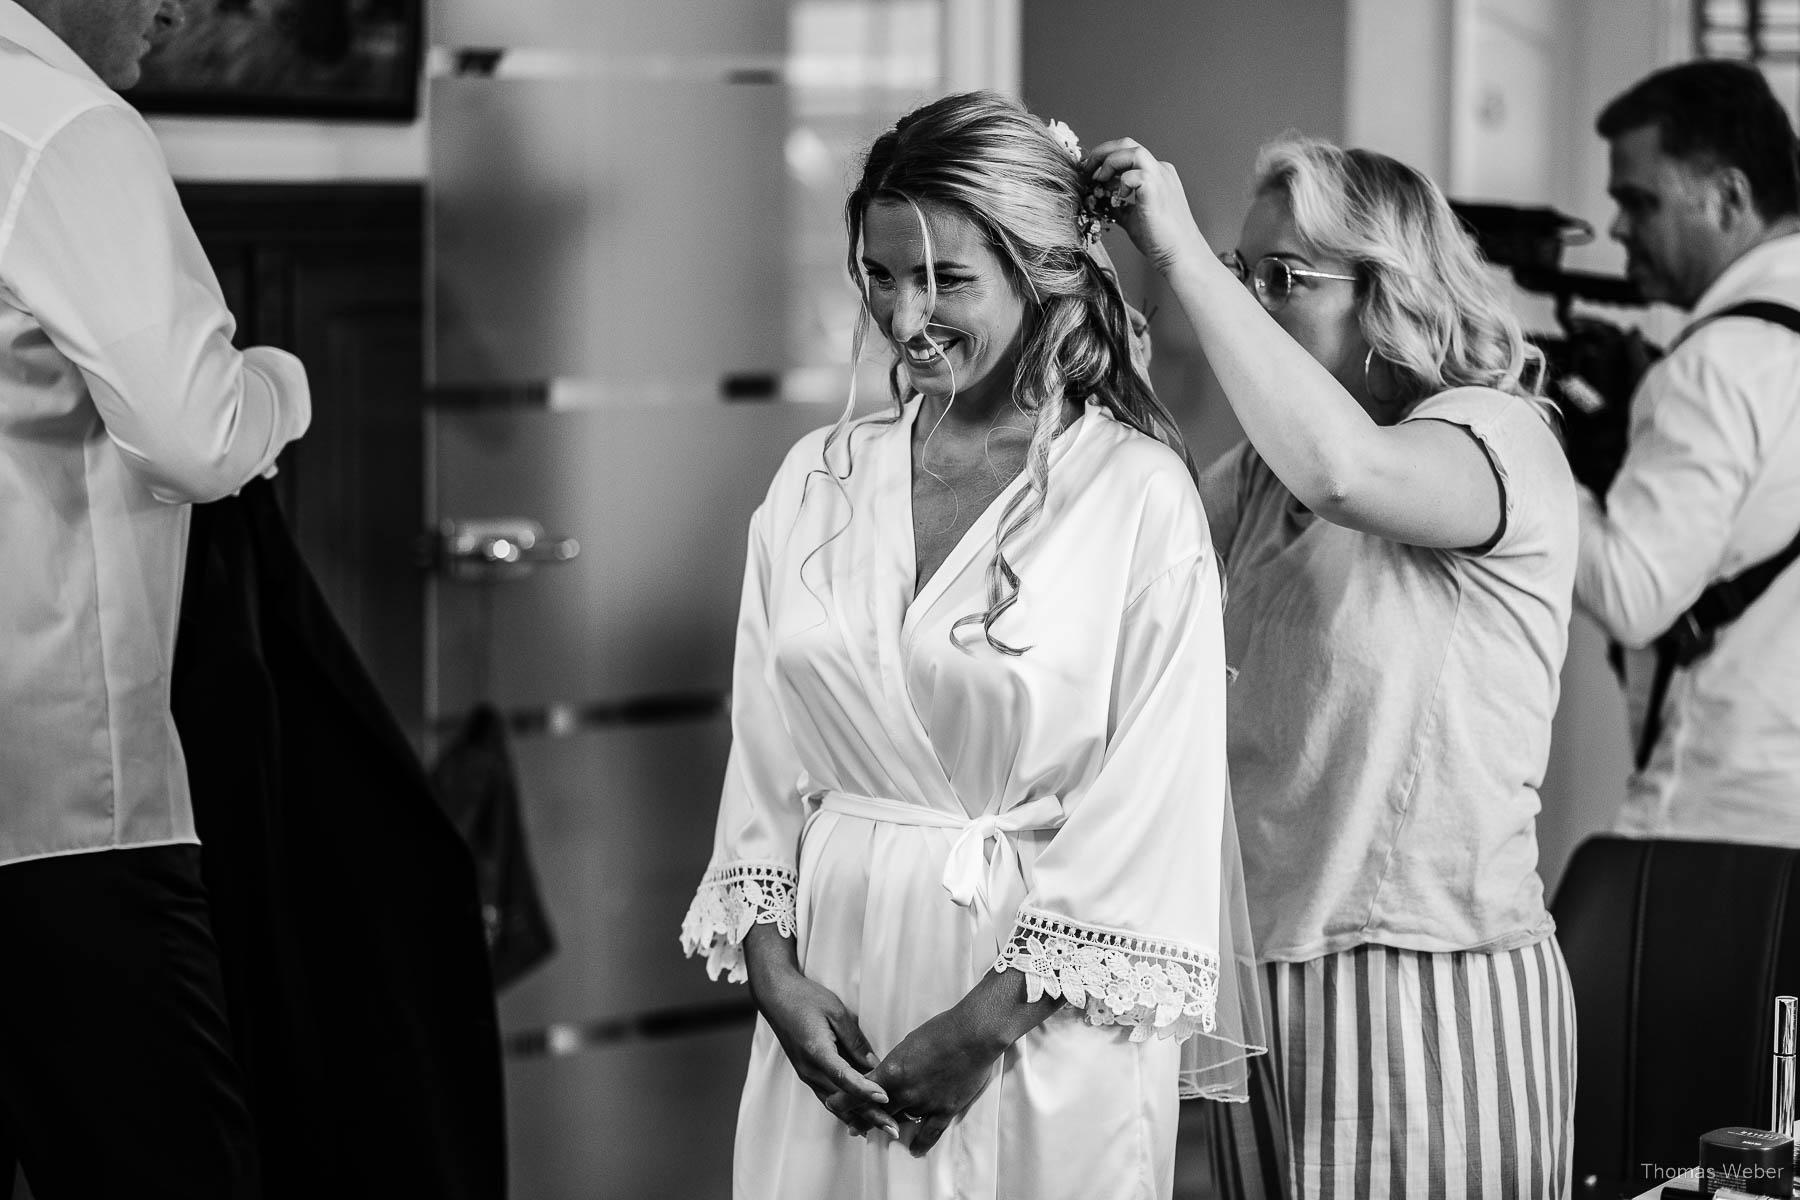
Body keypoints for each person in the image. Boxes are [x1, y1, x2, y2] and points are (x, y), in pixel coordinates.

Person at [680, 91, 1262, 1200]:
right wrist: (773, 973)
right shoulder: (818, 478)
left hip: (1036, 1004)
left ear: (1042, 274)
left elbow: (1158, 801)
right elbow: (760, 750)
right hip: (834, 988)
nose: (905, 319)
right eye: (881, 275)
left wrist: (982, 1030)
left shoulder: (1134, 498)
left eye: (946, 280)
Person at [1093, 132, 1578, 1197]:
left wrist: (1176, 253)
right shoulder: (1264, 477)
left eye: (1286, 279)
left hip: (1426, 979)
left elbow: (1347, 470)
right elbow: (1130, 567)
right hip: (1261, 978)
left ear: (1389, 290)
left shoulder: (1493, 442)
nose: (1254, 302)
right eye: (1241, 274)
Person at [0, 0, 312, 1195]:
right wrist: (283, 386)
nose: (183, 8)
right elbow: (194, 435)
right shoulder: (65, 124)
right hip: (62, 808)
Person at [1580, 60, 1800, 845]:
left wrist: (1535, 456)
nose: (1615, 229)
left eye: (1638, 201)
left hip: (1723, 822)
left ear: (1730, 197)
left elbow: (1633, 593)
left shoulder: (1716, 365)